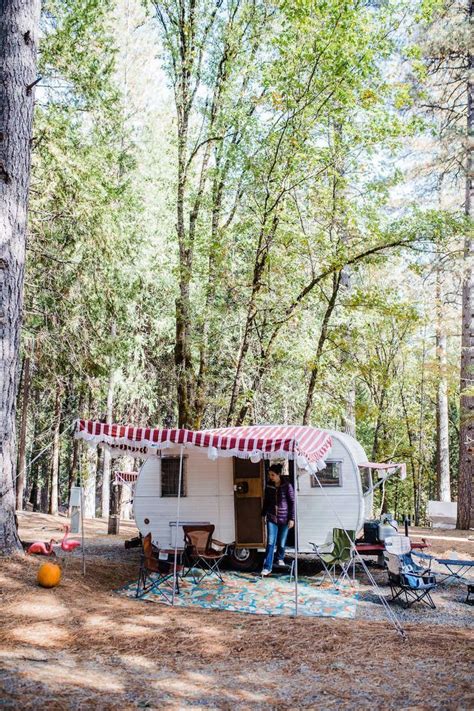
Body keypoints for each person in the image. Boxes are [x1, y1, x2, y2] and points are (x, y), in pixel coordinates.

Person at [261, 463, 295, 576]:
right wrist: (263, 514)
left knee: (281, 542)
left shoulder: (287, 486)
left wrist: (292, 518)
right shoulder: (269, 486)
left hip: (285, 518)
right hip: (272, 517)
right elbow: (266, 501)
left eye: (272, 475)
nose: (270, 477)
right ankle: (267, 567)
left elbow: (292, 502)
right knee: (271, 542)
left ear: (279, 474)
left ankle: (280, 557)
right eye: (270, 475)